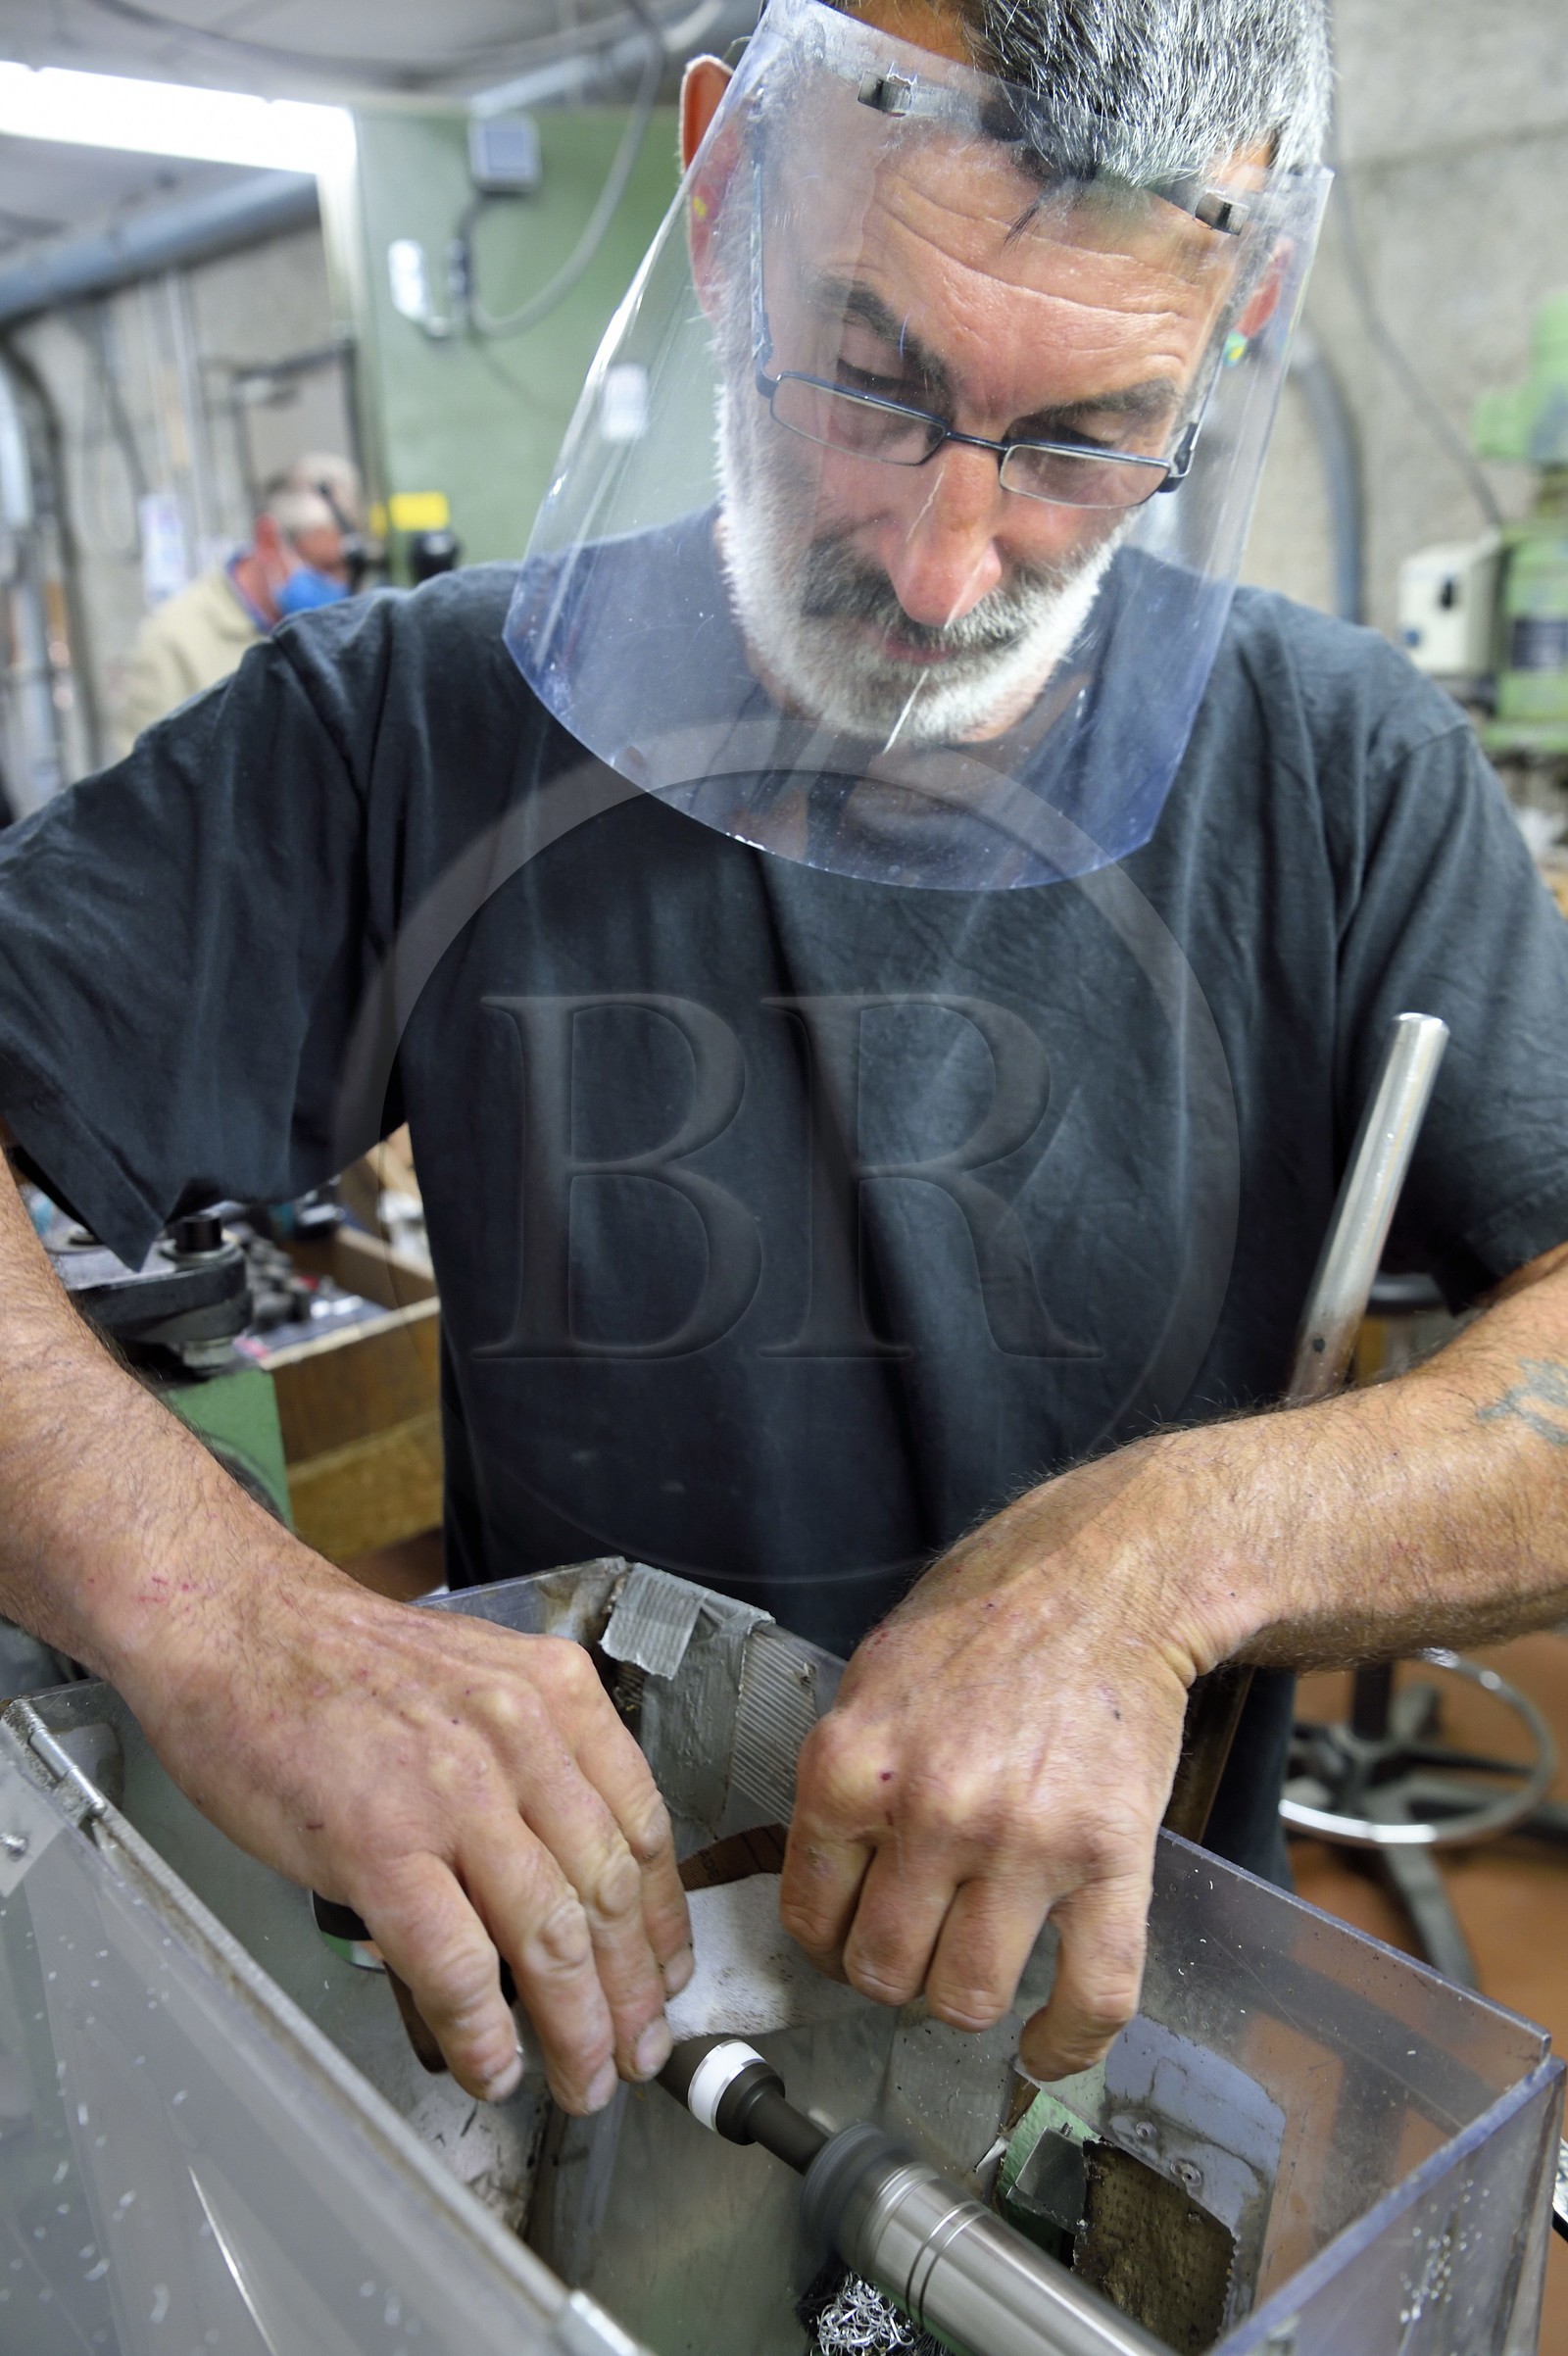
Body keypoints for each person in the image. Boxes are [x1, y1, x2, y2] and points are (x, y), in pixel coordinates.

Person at [0, 0, 1566, 2139]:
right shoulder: (413, 732)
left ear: (1240, 311)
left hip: (1100, 2026)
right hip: (606, 2023)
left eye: (1085, 437)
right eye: (866, 380)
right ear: (723, 190)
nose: (942, 564)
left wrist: (1153, 1557)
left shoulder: (1344, 768)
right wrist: (226, 1621)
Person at [116, 452, 363, 750]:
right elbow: (144, 785)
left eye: (346, 571)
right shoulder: (172, 642)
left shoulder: (346, 630)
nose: (337, 586)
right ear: (268, 540)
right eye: (323, 568)